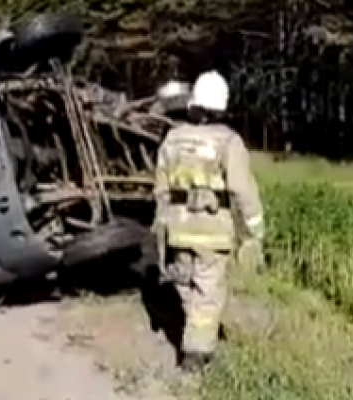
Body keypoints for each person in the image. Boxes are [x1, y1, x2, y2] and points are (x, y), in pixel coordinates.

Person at [152, 71, 264, 375]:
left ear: (194, 104)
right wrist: (254, 230)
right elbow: (243, 191)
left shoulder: (172, 139)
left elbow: (160, 189)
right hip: (212, 232)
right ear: (222, 106)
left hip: (179, 228)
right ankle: (195, 354)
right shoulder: (229, 142)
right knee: (208, 292)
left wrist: (162, 226)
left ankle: (192, 330)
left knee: (185, 283)